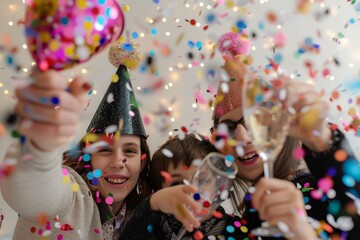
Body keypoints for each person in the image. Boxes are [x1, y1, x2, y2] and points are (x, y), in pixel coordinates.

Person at [0, 44, 152, 240]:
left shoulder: (142, 218)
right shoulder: (70, 196)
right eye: (104, 149)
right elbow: (30, 193)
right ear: (88, 156)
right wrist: (40, 148)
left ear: (142, 162)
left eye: (130, 151)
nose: (117, 161)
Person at [211, 38, 358, 238]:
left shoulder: (317, 190)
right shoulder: (250, 209)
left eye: (255, 119)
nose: (242, 138)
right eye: (228, 128)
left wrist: (321, 139)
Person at [119, 133, 318, 240]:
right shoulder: (153, 225)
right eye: (178, 183)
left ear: (220, 185)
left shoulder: (236, 228)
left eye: (203, 180)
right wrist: (153, 204)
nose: (192, 190)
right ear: (160, 190)